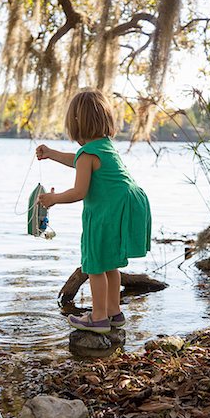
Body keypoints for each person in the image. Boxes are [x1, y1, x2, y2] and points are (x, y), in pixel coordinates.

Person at [36, 90, 151, 334]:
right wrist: (51, 154)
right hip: (124, 208)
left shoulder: (89, 154)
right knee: (111, 265)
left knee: (96, 266)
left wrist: (53, 199)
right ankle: (113, 312)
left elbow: (79, 191)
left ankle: (98, 318)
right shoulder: (105, 147)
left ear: (78, 125)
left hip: (106, 214)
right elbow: (77, 160)